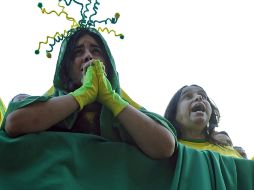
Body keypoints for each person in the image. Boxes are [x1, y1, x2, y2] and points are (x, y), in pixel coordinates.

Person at [2, 27, 176, 159]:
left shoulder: (129, 114)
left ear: (108, 65)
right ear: (66, 69)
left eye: (96, 51)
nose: (88, 56)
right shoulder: (42, 102)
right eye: (78, 52)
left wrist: (110, 98)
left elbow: (165, 146)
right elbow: (14, 123)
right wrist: (83, 95)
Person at [164, 84, 242, 158]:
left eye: (204, 96)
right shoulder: (166, 150)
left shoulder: (226, 147)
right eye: (188, 96)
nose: (199, 97)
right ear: (174, 112)